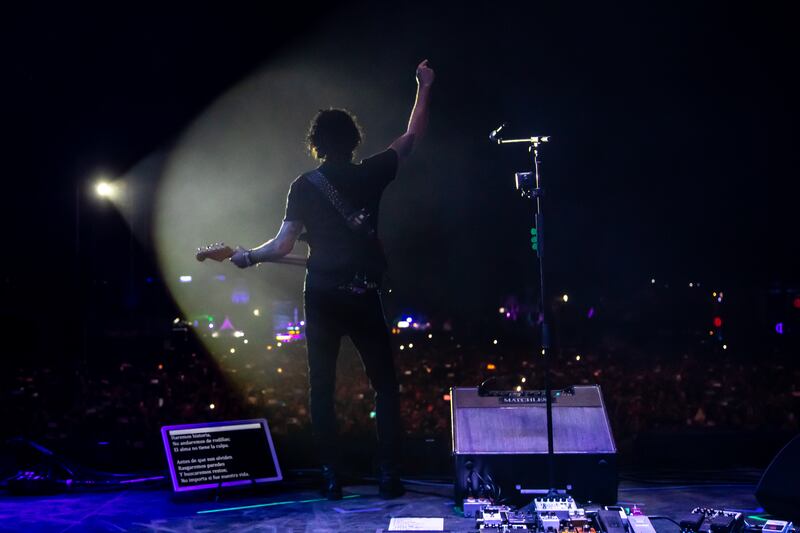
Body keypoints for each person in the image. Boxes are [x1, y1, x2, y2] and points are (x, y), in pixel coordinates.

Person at [230, 60, 434, 499]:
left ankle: (331, 476)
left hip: (321, 295)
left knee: (321, 387)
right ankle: (388, 475)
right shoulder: (369, 174)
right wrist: (424, 86)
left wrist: (248, 257)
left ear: (316, 144)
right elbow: (411, 138)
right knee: (384, 385)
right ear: (354, 141)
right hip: (363, 293)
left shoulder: (303, 186)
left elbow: (283, 246)